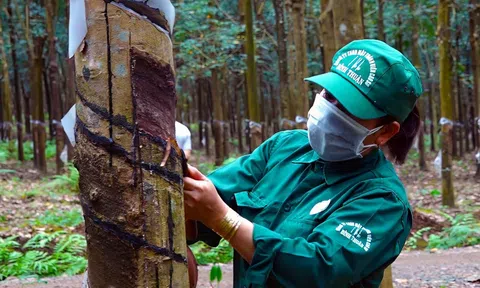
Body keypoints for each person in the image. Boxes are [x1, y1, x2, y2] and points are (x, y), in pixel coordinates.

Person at [184, 39, 422, 287]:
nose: (331, 111)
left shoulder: (382, 201)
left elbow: (316, 269)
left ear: (385, 132)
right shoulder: (283, 148)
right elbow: (205, 203)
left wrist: (225, 220)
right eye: (329, 95)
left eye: (350, 108)